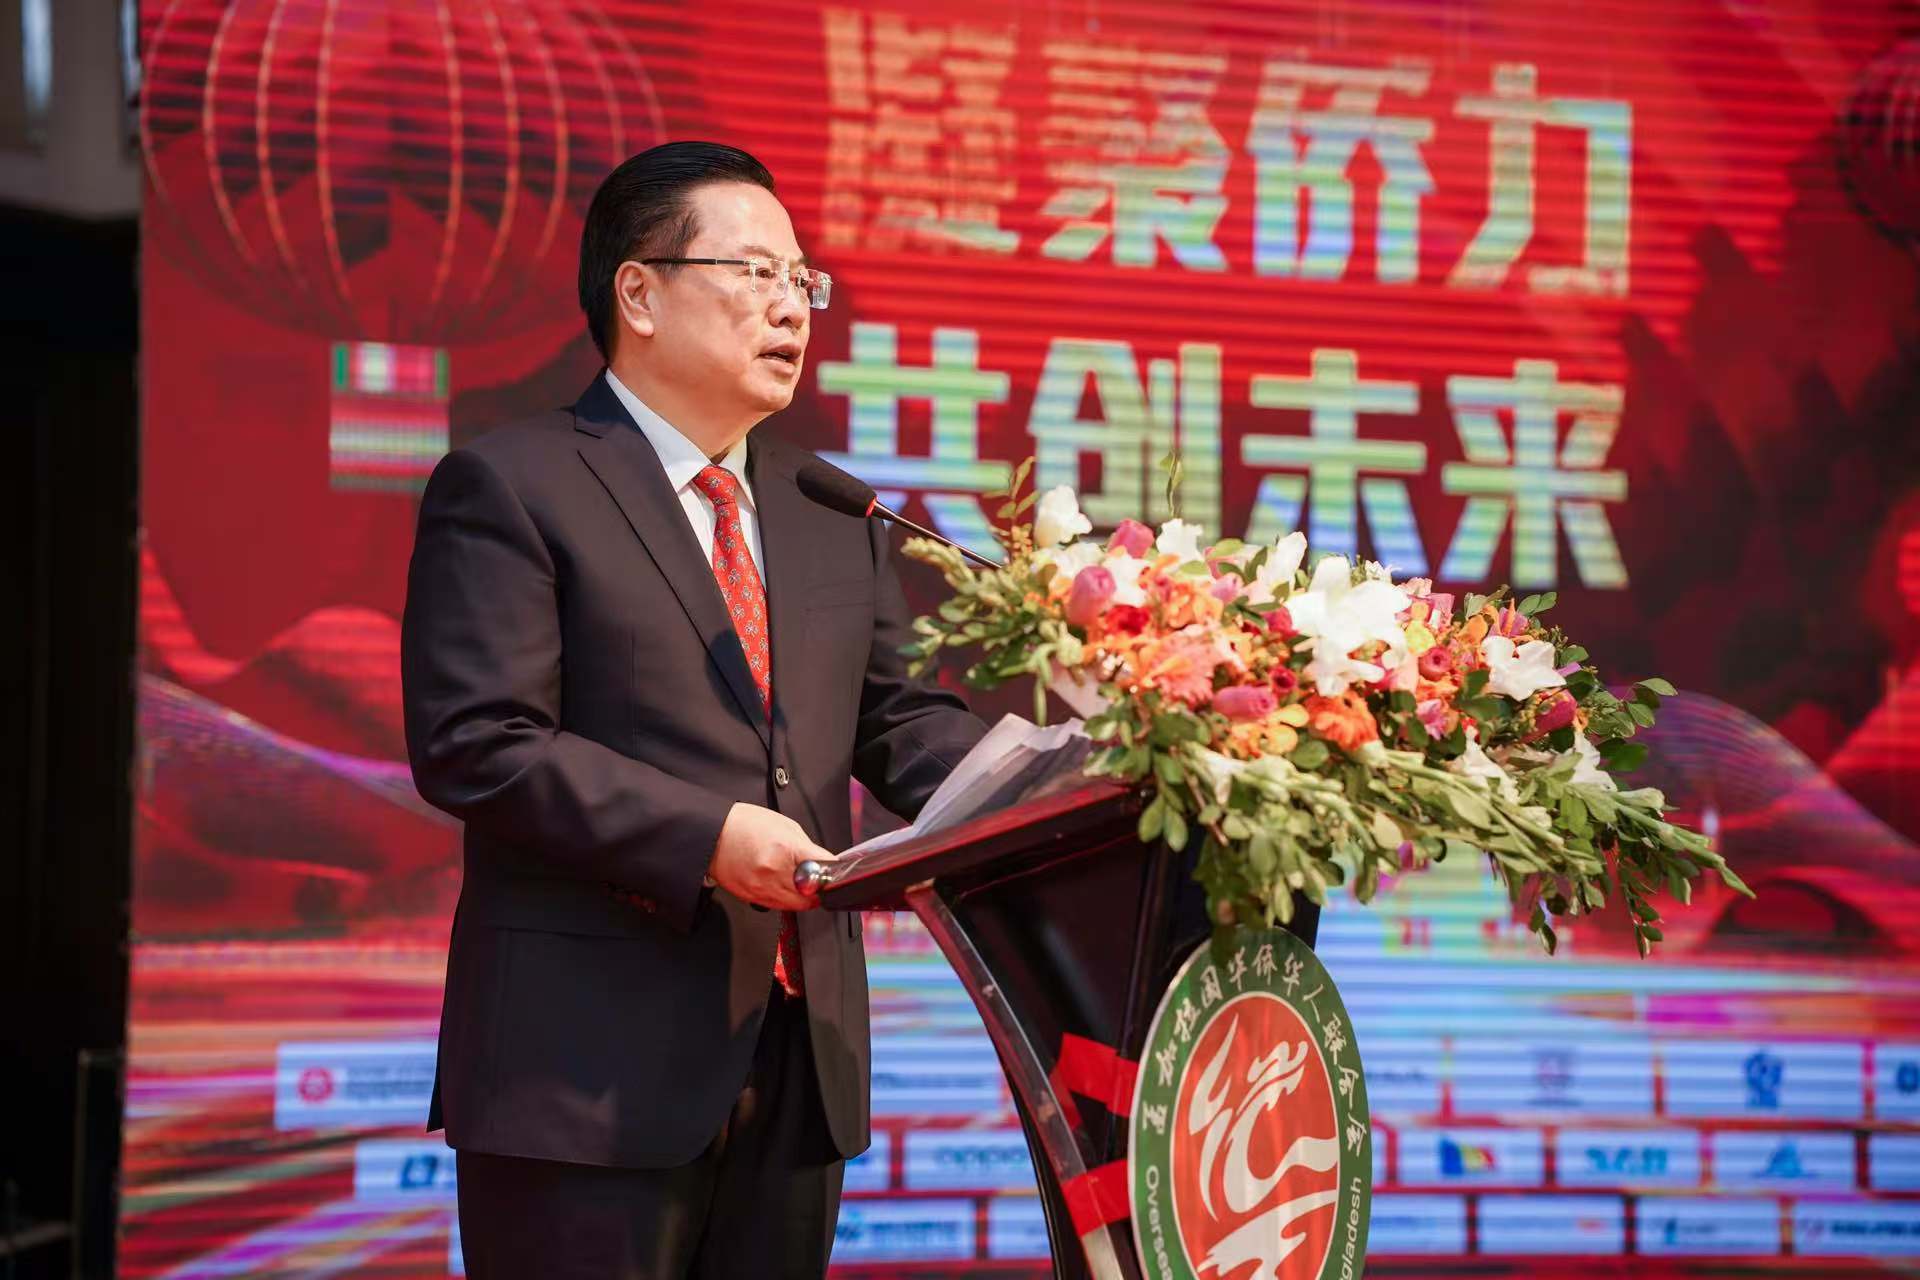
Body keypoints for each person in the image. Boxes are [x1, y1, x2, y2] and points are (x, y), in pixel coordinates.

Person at [400, 140, 988, 1279]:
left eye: (803, 280)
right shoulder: (517, 485)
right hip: (582, 1075)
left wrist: (1066, 779)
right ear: (640, 293)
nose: (793, 307)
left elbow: (899, 724)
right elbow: (480, 742)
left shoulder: (827, 507)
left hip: (800, 1063)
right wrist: (709, 836)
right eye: (757, 272)